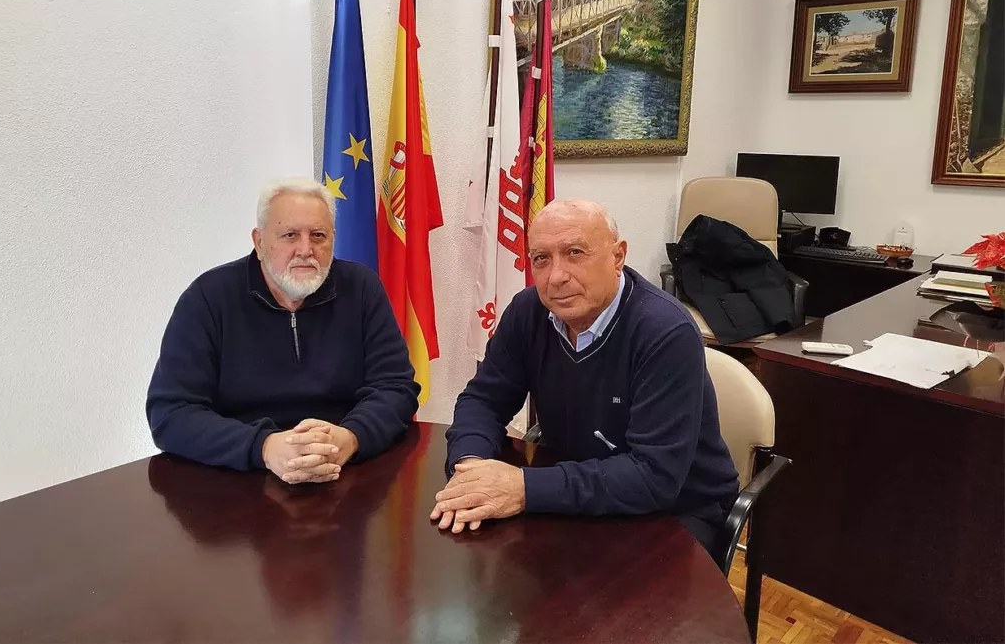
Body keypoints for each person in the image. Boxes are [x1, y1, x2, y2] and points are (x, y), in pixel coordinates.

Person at [433, 198, 738, 556]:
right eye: (541, 258)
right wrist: (470, 465)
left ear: (617, 256)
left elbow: (655, 477)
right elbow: (484, 399)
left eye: (575, 252)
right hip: (578, 487)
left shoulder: (665, 330)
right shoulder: (528, 311)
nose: (556, 276)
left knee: (600, 604)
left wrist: (522, 488)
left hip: (676, 511)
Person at [146, 178, 420, 484]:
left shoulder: (362, 288)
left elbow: (397, 388)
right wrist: (265, 447)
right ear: (259, 242)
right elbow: (171, 413)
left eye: (318, 235)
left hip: (345, 469)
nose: (306, 250)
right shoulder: (208, 298)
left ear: (333, 239)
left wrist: (351, 437)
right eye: (289, 235)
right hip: (239, 482)